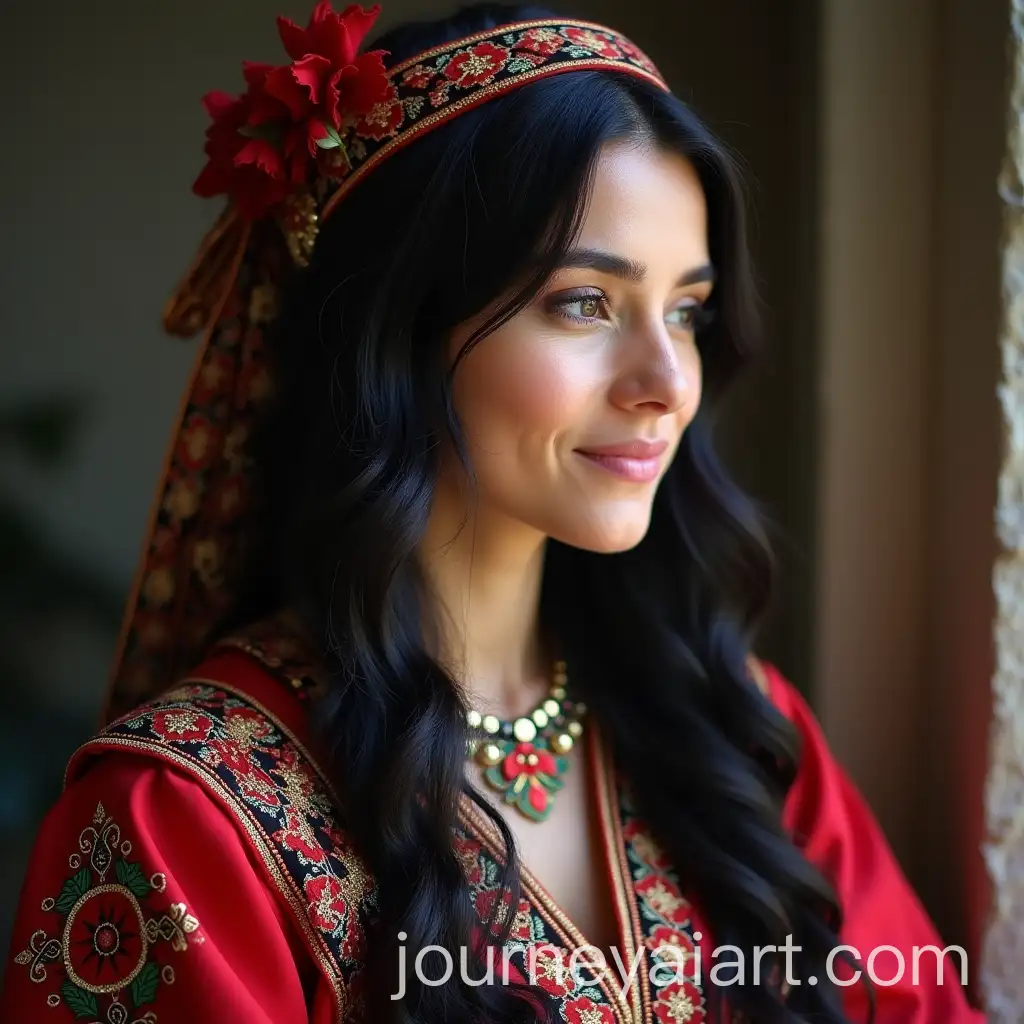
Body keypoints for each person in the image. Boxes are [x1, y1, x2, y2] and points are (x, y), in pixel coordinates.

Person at [2, 2, 987, 1021]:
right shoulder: (186, 822)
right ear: (404, 331)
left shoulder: (736, 730)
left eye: (685, 313)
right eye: (584, 303)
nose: (666, 384)